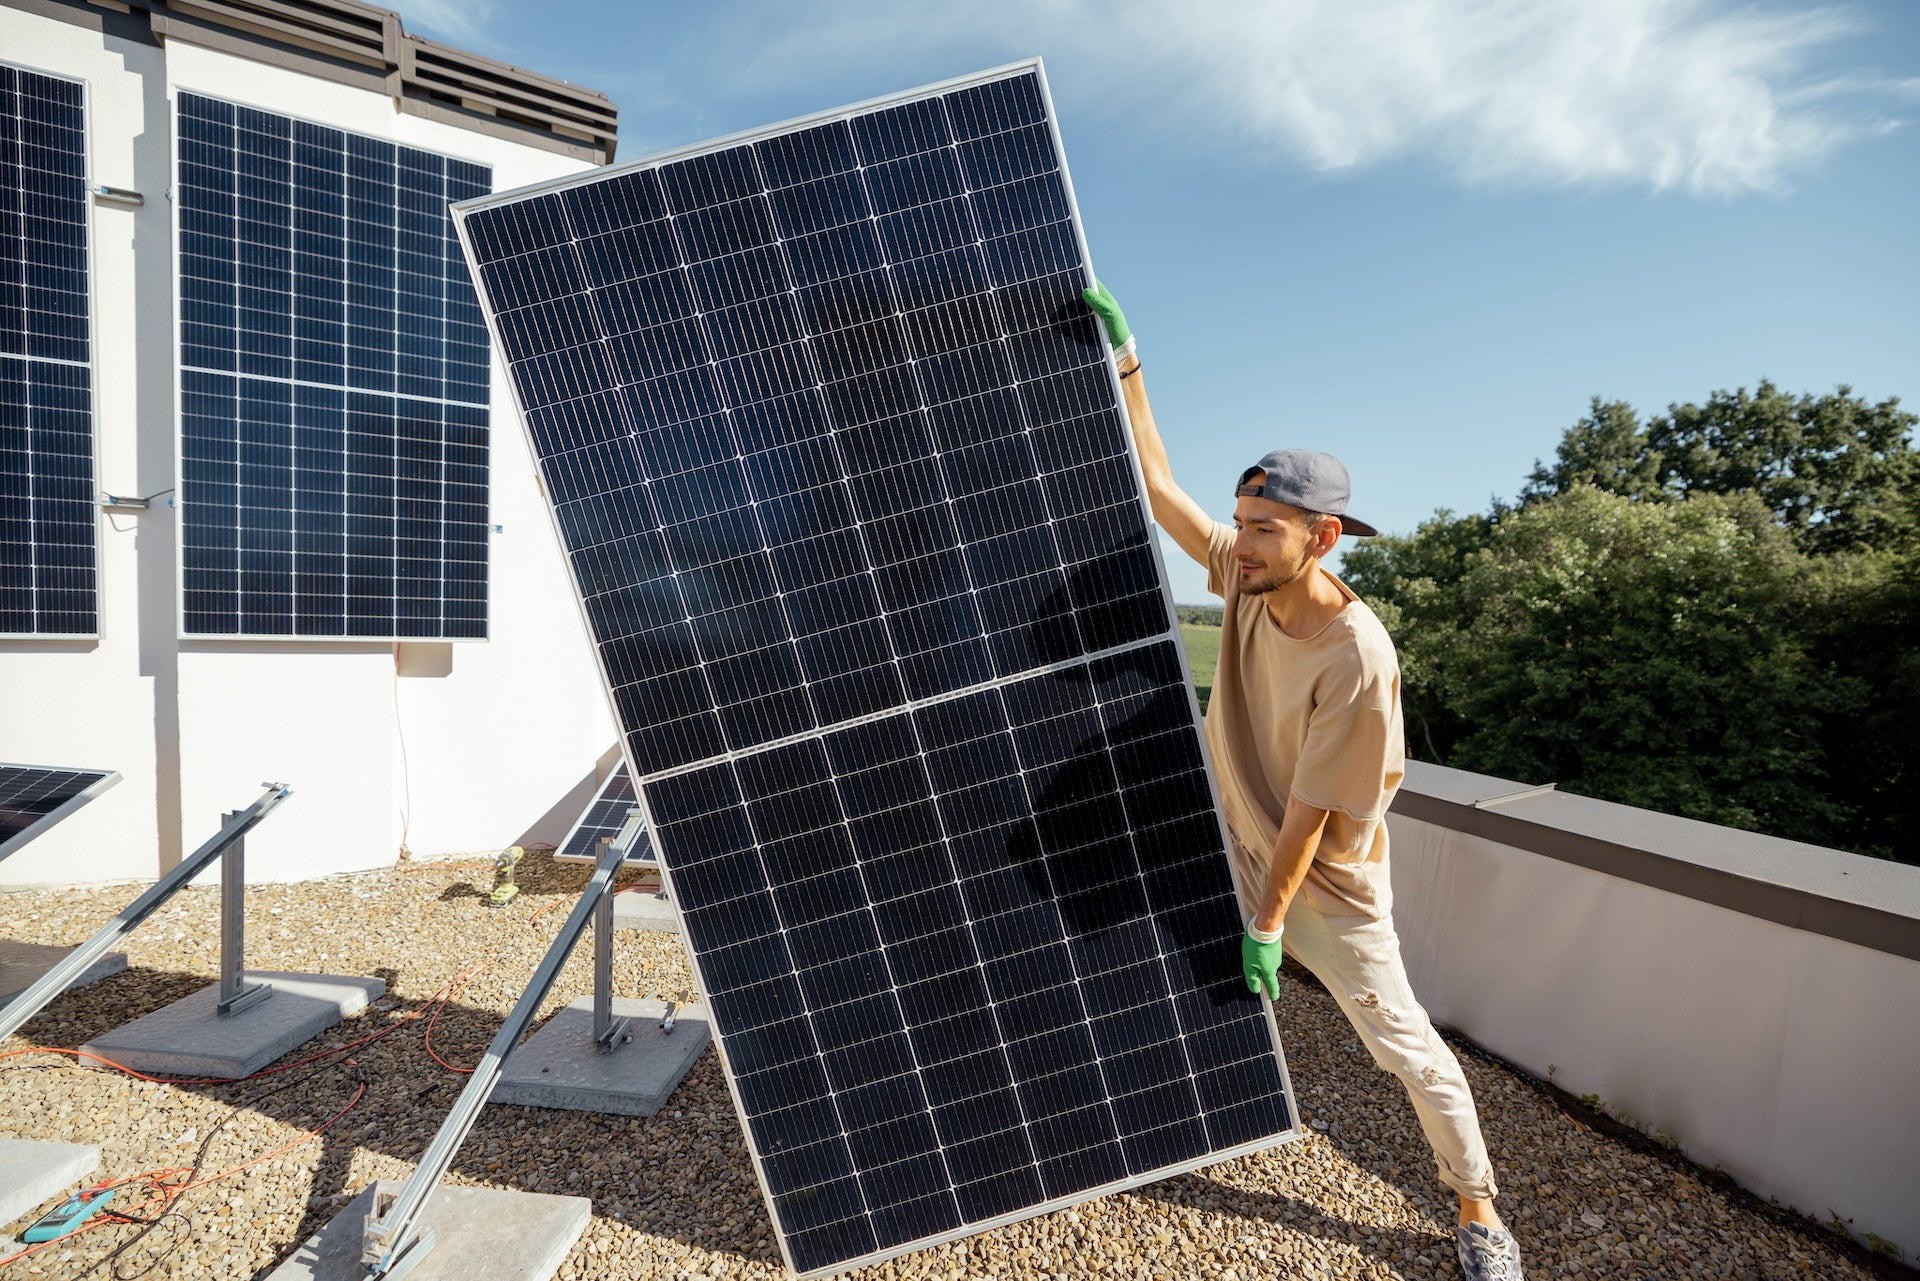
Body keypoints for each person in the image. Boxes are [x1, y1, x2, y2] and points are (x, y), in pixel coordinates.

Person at [1082, 282, 1525, 1281]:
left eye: (1264, 529)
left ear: (1323, 537)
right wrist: (1129, 363)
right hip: (1235, 835)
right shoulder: (1245, 579)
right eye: (1241, 521)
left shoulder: (1356, 660)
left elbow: (1316, 824)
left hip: (1320, 884)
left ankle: (1478, 1208)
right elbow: (1157, 489)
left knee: (1407, 1051)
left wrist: (1270, 930)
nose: (1240, 543)